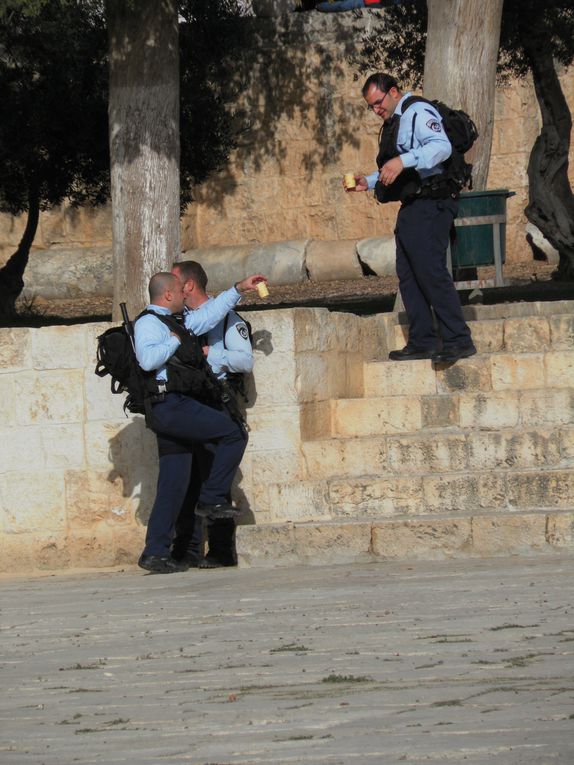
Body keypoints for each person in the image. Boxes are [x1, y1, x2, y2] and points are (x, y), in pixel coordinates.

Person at [134, 270, 266, 574]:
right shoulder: (150, 323)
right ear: (168, 295)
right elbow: (147, 360)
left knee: (173, 484)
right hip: (169, 405)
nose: (185, 295)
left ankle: (155, 552)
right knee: (234, 433)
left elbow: (211, 314)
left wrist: (239, 287)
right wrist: (174, 342)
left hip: (176, 406)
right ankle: (210, 498)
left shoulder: (176, 323)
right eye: (180, 291)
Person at [346, 72, 476, 363]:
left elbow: (440, 147)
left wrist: (402, 160)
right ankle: (422, 341)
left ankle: (458, 339)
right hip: (414, 205)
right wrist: (368, 181)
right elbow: (399, 166)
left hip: (434, 202)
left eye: (378, 103)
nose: (376, 110)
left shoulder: (418, 111)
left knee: (430, 270)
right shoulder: (395, 122)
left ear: (393, 92)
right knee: (408, 275)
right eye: (371, 107)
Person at [169, 260, 254, 570]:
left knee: (213, 479)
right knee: (185, 478)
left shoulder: (228, 320)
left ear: (188, 285)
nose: (169, 287)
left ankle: (220, 549)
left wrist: (208, 354)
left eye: (174, 281)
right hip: (185, 404)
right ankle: (186, 549)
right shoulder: (179, 322)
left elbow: (244, 361)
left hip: (215, 403)